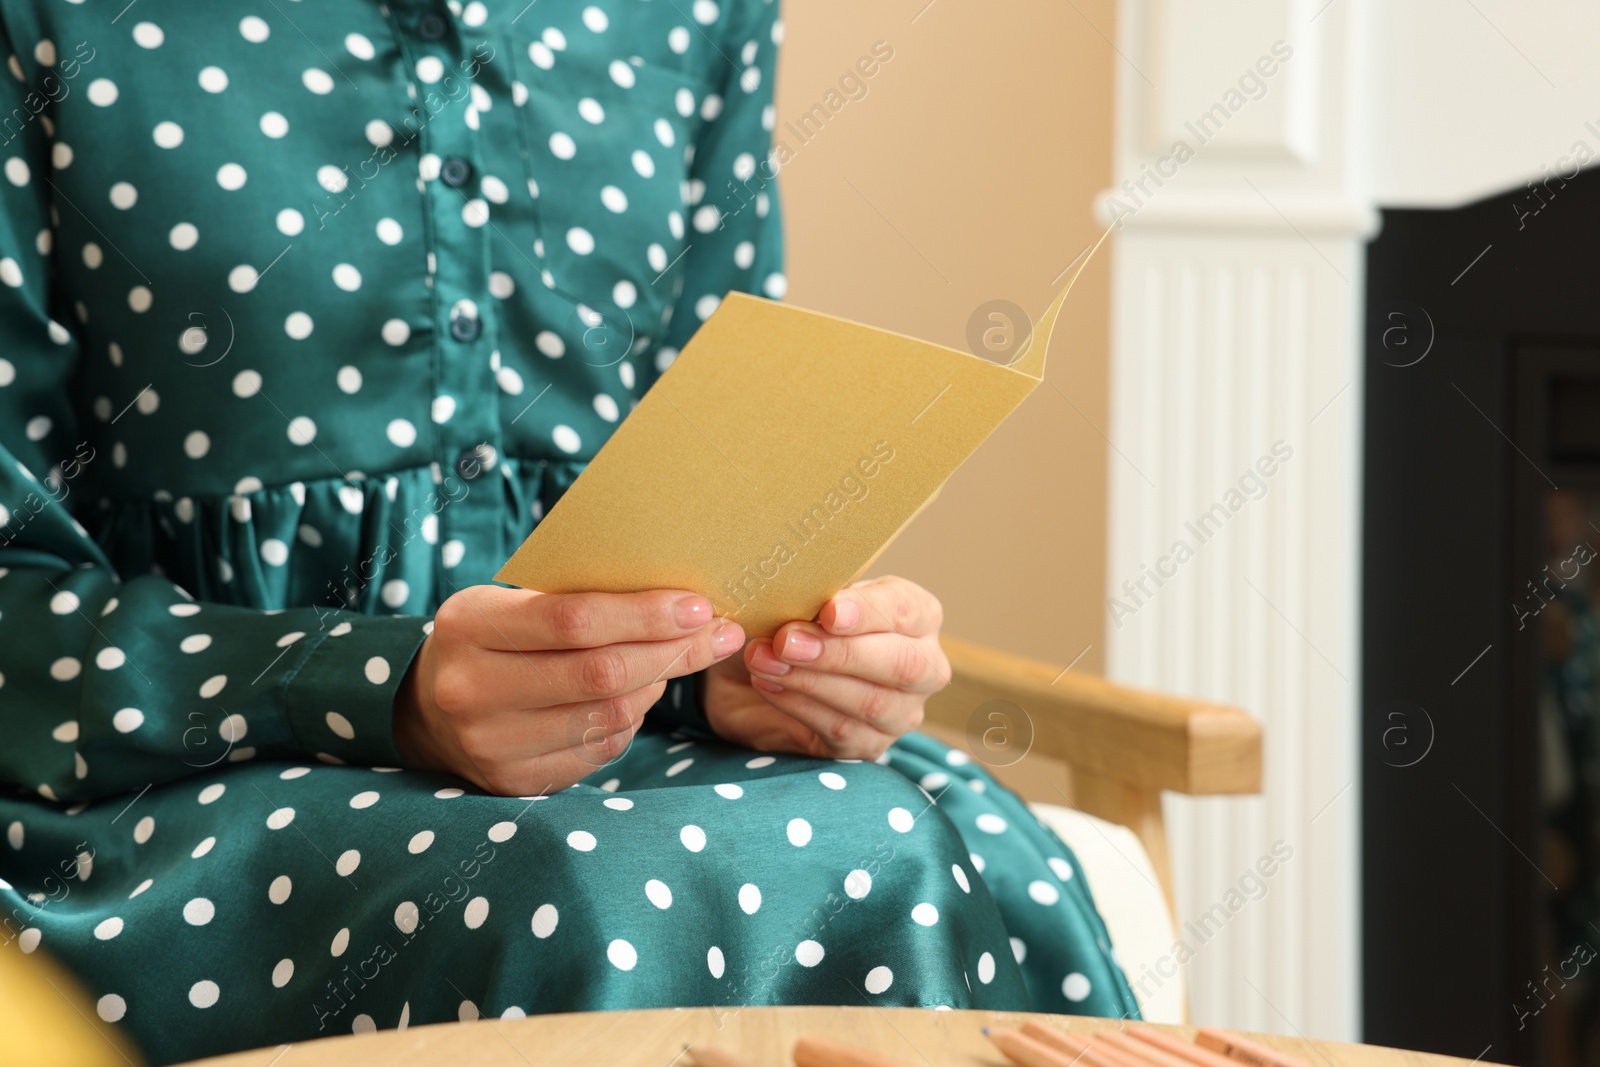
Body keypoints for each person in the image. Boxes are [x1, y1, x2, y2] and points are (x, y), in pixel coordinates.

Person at [0, 2, 1138, 1062]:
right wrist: (378, 684)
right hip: (162, 771)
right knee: (579, 879)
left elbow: (723, 446)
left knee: (887, 827)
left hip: (640, 746)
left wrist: (759, 658)